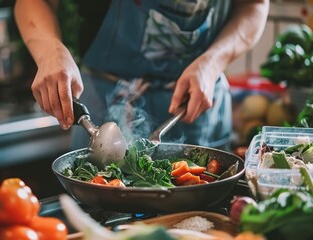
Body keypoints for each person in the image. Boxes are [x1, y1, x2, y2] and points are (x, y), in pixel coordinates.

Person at [14, 0, 269, 150]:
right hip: (104, 105)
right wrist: (49, 49)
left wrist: (213, 62)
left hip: (195, 108)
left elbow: (254, 4)